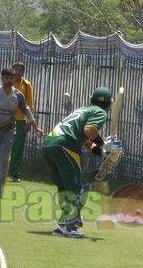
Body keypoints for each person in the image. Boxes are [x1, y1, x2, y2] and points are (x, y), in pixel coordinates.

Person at [41, 86, 113, 238]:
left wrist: (105, 152)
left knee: (64, 188)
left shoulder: (83, 109)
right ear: (109, 104)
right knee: (77, 188)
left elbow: (86, 142)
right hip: (65, 145)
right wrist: (104, 144)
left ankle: (70, 219)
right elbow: (89, 131)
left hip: (49, 145)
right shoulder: (100, 112)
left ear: (90, 99)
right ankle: (64, 225)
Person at [0, 67, 42, 197]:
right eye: (7, 78)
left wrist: (36, 127)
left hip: (9, 131)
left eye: (11, 78)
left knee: (4, 159)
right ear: (2, 78)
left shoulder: (17, 95)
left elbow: (26, 110)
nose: (9, 80)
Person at [9, 62, 35, 182]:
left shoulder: (26, 84)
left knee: (18, 147)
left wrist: (29, 122)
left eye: (20, 70)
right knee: (4, 145)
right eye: (16, 69)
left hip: (20, 120)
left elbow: (30, 104)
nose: (17, 72)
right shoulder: (8, 82)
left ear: (23, 72)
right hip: (7, 119)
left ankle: (15, 174)